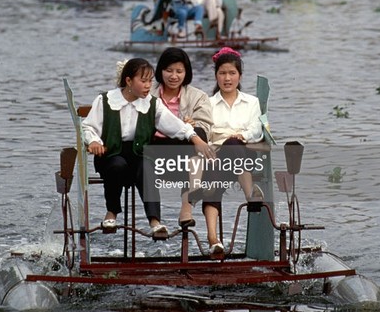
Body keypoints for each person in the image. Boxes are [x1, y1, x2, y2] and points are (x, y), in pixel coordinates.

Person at [82, 57, 215, 239]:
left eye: (150, 81)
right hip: (111, 154)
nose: (148, 86)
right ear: (128, 81)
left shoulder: (152, 104)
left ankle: (155, 222)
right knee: (117, 165)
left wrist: (195, 138)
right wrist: (94, 142)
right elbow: (88, 127)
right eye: (143, 81)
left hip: (138, 154)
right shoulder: (105, 100)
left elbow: (174, 125)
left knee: (147, 167)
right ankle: (111, 213)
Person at [192, 47, 264, 256]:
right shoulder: (208, 103)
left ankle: (250, 195)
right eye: (222, 73)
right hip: (216, 155)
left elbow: (256, 129)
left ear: (240, 75)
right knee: (213, 171)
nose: (227, 78)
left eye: (232, 73)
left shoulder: (251, 102)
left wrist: (243, 136)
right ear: (216, 75)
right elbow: (204, 130)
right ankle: (214, 239)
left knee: (233, 144)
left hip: (243, 151)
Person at [150, 47, 213, 228]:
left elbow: (205, 128)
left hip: (186, 153)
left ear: (187, 73)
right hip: (155, 151)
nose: (174, 76)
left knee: (196, 138)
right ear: (160, 70)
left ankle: (186, 207)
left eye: (179, 71)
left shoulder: (198, 96)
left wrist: (191, 125)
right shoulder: (148, 93)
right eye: (169, 70)